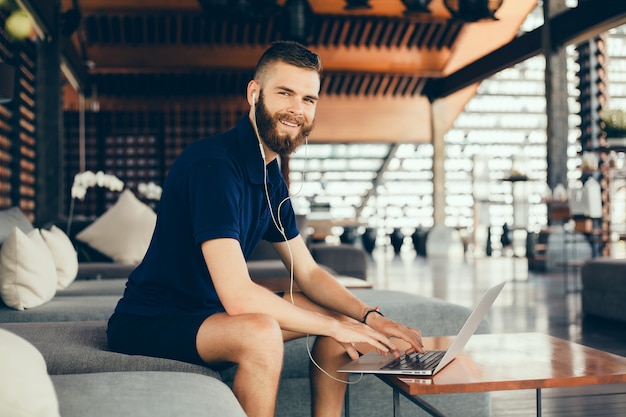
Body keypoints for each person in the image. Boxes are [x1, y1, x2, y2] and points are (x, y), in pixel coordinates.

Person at [107, 40, 424, 417]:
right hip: (154, 321)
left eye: (309, 99)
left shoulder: (271, 175)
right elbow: (240, 298)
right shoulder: (214, 166)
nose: (297, 109)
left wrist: (369, 317)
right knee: (262, 332)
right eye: (285, 93)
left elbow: (306, 272)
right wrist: (335, 324)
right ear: (254, 93)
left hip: (213, 314)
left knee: (337, 320)